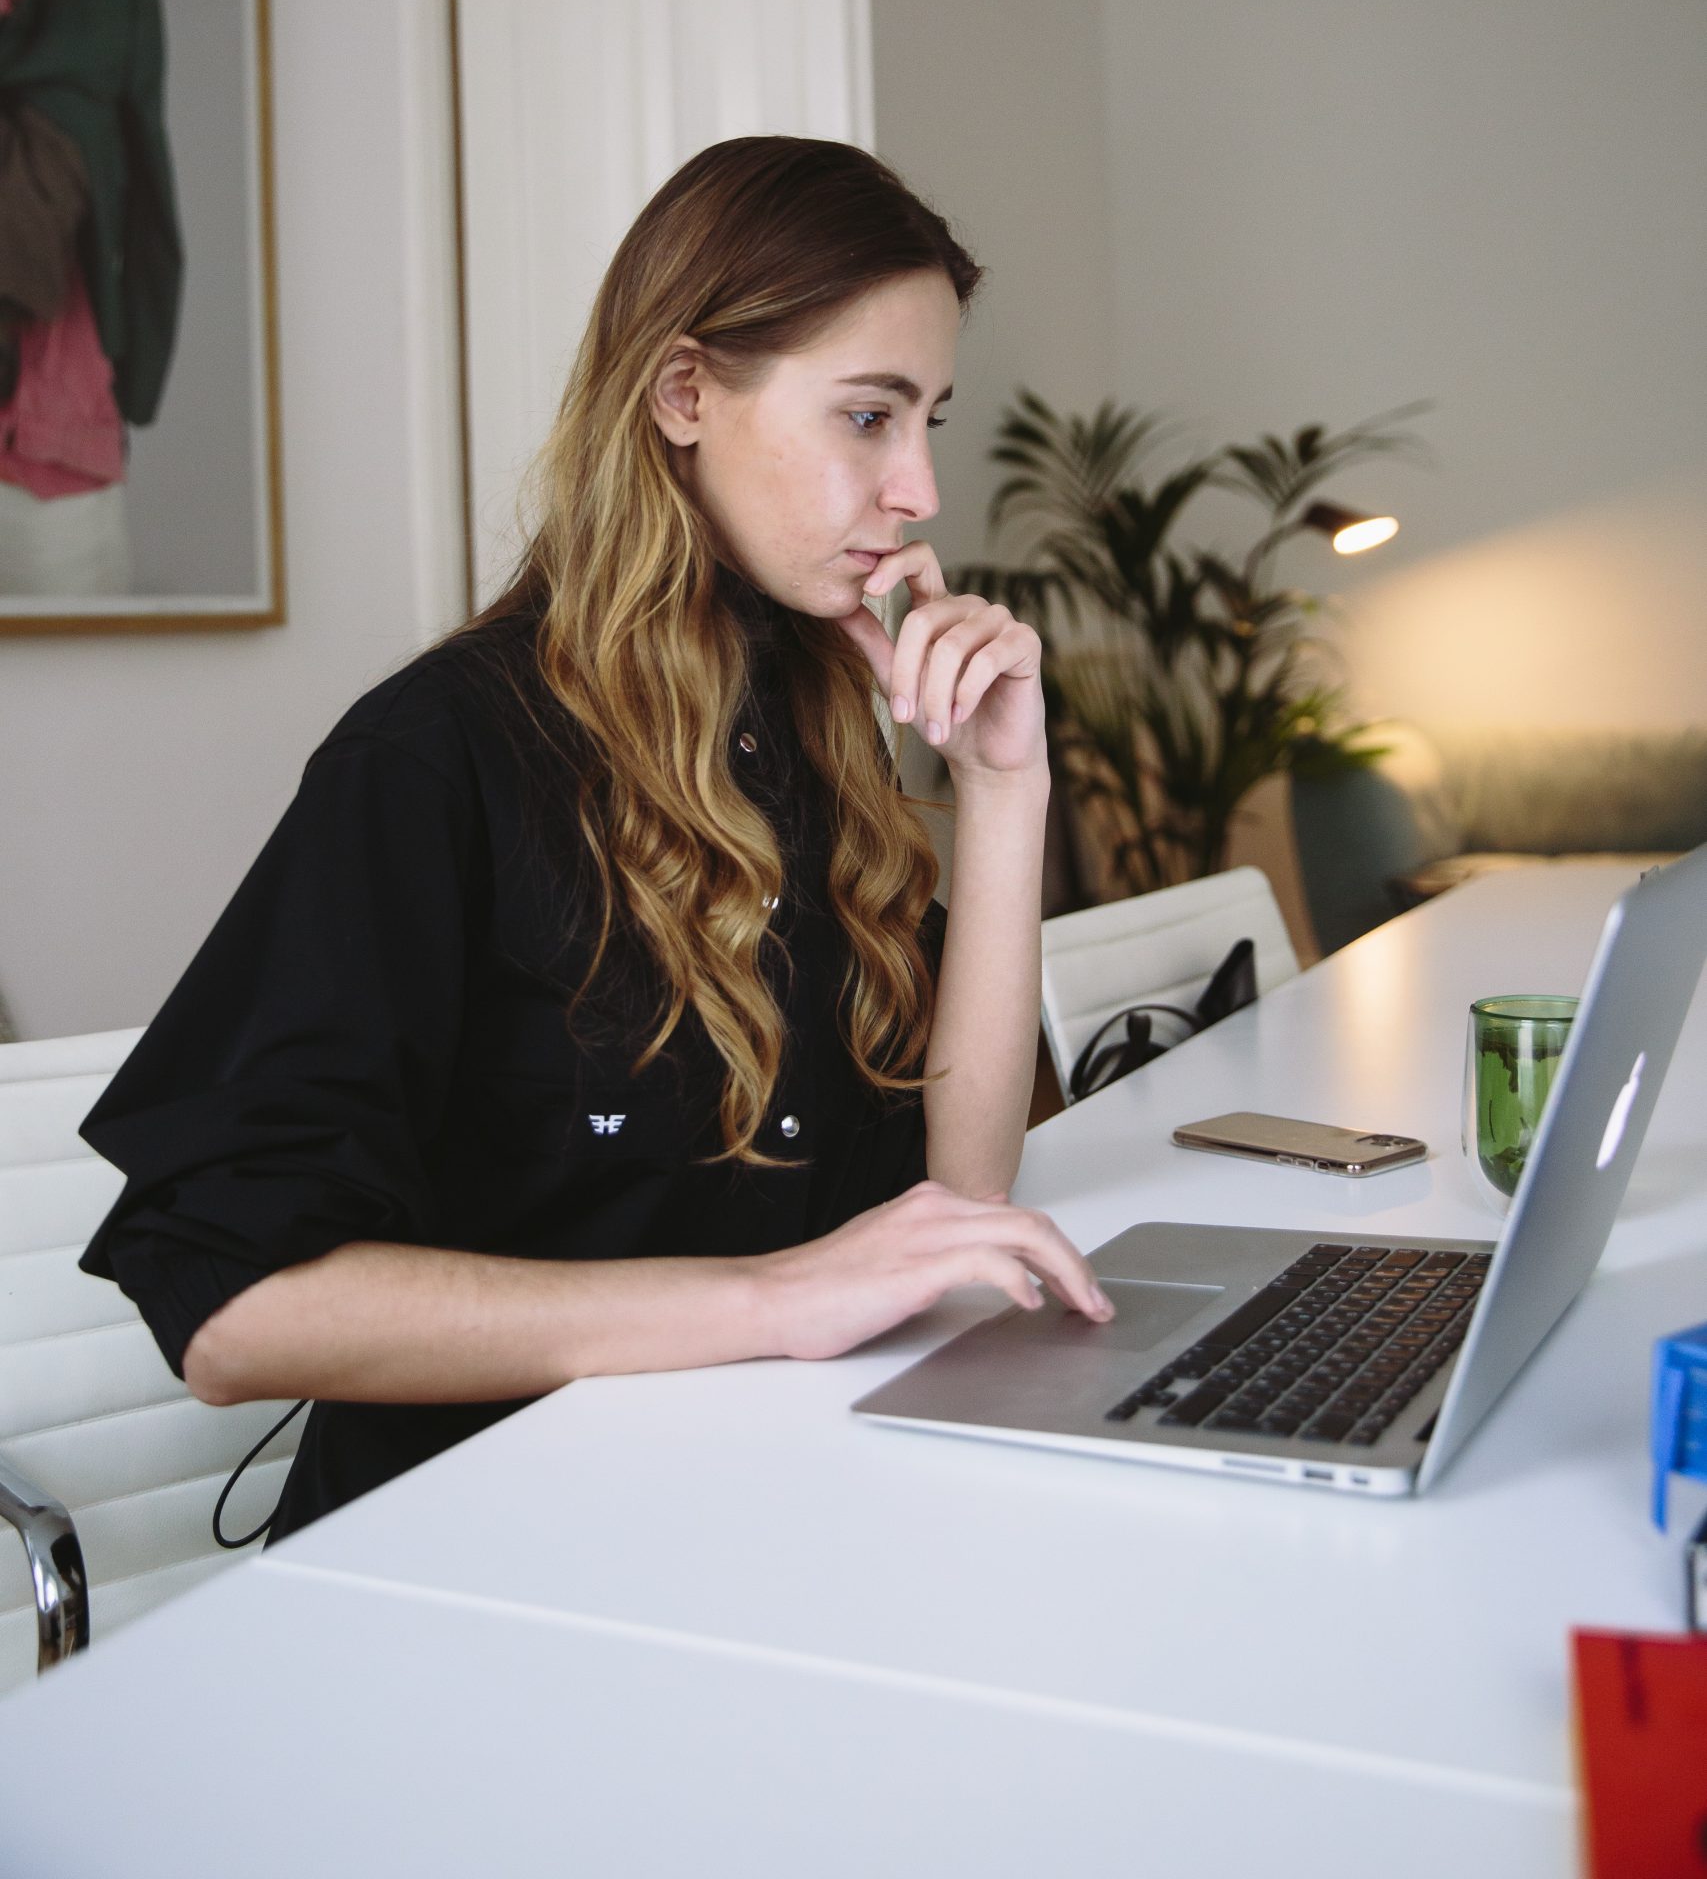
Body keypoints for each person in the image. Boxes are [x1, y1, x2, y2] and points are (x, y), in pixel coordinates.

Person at [81, 136, 1112, 1540]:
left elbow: (961, 1192)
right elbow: (231, 1310)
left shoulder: (810, 715)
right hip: (496, 1540)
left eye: (929, 417)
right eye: (869, 417)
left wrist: (1004, 787)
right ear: (684, 392)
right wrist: (769, 1300)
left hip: (777, 1499)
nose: (920, 488)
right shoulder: (439, 756)